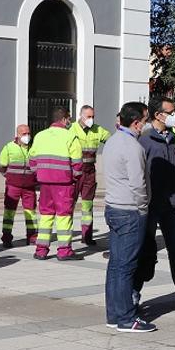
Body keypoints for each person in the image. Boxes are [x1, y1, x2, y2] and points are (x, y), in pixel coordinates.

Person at [101, 101, 155, 333]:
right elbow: (138, 183)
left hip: (114, 207)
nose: (146, 124)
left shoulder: (112, 141)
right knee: (126, 267)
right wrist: (143, 208)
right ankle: (125, 318)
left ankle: (114, 314)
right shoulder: (133, 147)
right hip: (129, 210)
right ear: (135, 123)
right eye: (145, 120)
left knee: (116, 265)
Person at [135, 102, 175, 310]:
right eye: (171, 113)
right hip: (151, 205)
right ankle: (135, 292)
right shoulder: (145, 140)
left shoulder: (173, 138)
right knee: (146, 251)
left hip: (170, 206)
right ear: (158, 115)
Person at [29, 108, 83, 261]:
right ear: (65, 119)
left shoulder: (40, 135)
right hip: (64, 183)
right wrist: (74, 177)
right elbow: (78, 164)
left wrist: (39, 173)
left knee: (45, 215)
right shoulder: (71, 136)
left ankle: (41, 250)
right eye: (69, 119)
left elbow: (32, 159)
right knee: (63, 216)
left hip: (45, 182)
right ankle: (64, 251)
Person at [71, 105, 110, 246]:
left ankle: (86, 236)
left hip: (89, 172)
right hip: (74, 173)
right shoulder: (71, 129)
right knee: (70, 204)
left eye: (93, 117)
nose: (91, 119)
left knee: (88, 205)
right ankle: (67, 236)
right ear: (81, 116)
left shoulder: (98, 130)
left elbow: (111, 141)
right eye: (88, 117)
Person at [0, 124, 37, 248]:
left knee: (30, 212)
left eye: (28, 133)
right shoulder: (9, 147)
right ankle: (6, 237)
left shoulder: (34, 148)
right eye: (24, 134)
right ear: (18, 135)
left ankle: (32, 237)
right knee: (9, 212)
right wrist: (10, 177)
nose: (27, 136)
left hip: (29, 187)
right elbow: (2, 166)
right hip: (13, 186)